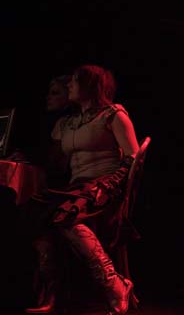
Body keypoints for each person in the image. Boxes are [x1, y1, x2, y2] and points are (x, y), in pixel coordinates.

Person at [22, 64, 139, 314]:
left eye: (74, 82)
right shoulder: (69, 123)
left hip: (105, 186)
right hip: (76, 189)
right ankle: (52, 292)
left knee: (65, 216)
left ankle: (115, 285)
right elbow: (54, 162)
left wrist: (110, 183)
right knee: (35, 213)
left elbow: (133, 157)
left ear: (89, 85)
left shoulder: (113, 114)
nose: (69, 86)